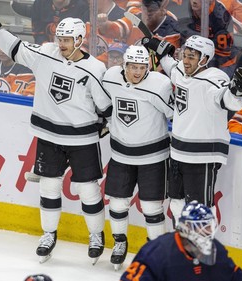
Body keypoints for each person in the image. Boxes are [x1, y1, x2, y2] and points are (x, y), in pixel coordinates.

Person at [0, 8, 112, 264]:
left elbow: (105, 105)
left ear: (79, 39)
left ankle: (96, 235)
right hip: (49, 136)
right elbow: (16, 48)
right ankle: (48, 234)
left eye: (67, 40)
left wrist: (106, 122)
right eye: (60, 39)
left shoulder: (95, 68)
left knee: (88, 190)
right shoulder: (45, 54)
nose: (61, 44)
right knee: (49, 187)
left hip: (81, 140)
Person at [142, 35, 242, 224]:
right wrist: (158, 48)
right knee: (176, 203)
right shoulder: (181, 71)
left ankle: (201, 250)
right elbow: (171, 65)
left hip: (202, 156)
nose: (186, 60)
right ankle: (182, 245)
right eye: (185, 55)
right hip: (178, 152)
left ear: (204, 59)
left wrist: (237, 90)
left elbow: (228, 100)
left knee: (200, 208)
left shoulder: (215, 78)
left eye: (192, 57)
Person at [102, 45, 174, 269]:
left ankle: (156, 252)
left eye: (142, 67)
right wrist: (107, 123)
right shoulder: (111, 77)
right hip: (121, 154)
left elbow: (174, 113)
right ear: (124, 66)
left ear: (149, 67)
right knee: (117, 203)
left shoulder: (160, 85)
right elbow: (104, 104)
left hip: (153, 157)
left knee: (152, 208)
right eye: (133, 67)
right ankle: (120, 243)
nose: (137, 72)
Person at [120, 201, 242, 281]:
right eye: (202, 227)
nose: (207, 232)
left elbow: (233, 277)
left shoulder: (215, 251)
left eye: (208, 227)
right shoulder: (157, 254)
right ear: (186, 228)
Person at [178, 0, 238, 76]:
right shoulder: (194, 7)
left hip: (223, 60)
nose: (194, 1)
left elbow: (223, 54)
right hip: (202, 55)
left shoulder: (220, 19)